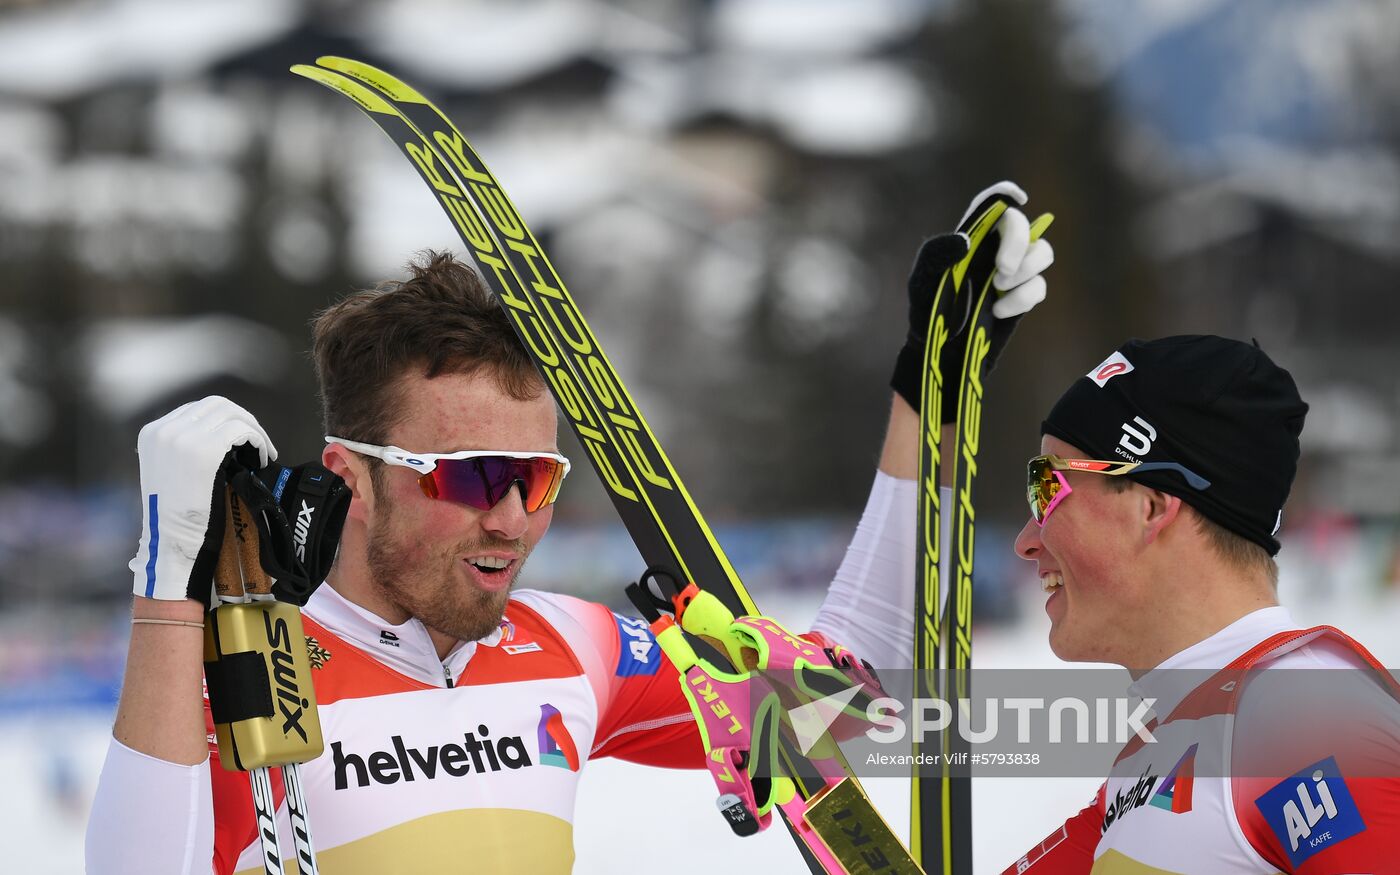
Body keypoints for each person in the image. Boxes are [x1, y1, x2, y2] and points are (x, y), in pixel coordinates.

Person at [85, 183, 1052, 874]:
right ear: (355, 477)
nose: (512, 517)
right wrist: (169, 589)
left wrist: (929, 388)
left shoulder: (567, 645)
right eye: (473, 477)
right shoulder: (246, 664)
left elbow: (856, 693)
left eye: (539, 478)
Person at [1001, 336, 1400, 874]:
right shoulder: (1157, 752)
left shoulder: (1301, 715)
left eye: (1047, 488)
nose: (1027, 538)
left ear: (1151, 507)